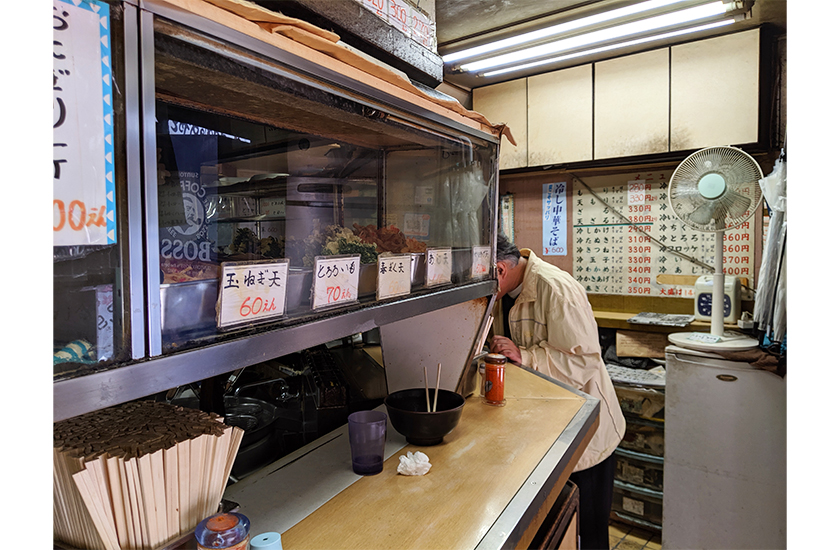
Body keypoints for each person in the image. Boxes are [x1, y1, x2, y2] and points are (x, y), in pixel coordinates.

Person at [489, 233, 626, 550]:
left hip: (587, 434)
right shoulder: (505, 293)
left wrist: (526, 356)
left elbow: (585, 361)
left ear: (498, 270)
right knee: (560, 530)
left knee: (589, 533)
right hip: (548, 429)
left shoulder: (556, 289)